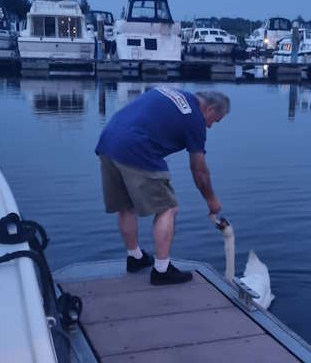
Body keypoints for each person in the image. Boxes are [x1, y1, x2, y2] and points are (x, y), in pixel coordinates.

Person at [95, 87, 230, 285]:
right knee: (168, 208)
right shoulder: (194, 118)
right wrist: (212, 200)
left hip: (108, 141)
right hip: (137, 147)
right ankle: (162, 270)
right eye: (214, 121)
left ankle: (135, 257)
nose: (209, 126)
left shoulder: (172, 92)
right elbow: (199, 171)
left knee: (126, 205)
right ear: (209, 109)